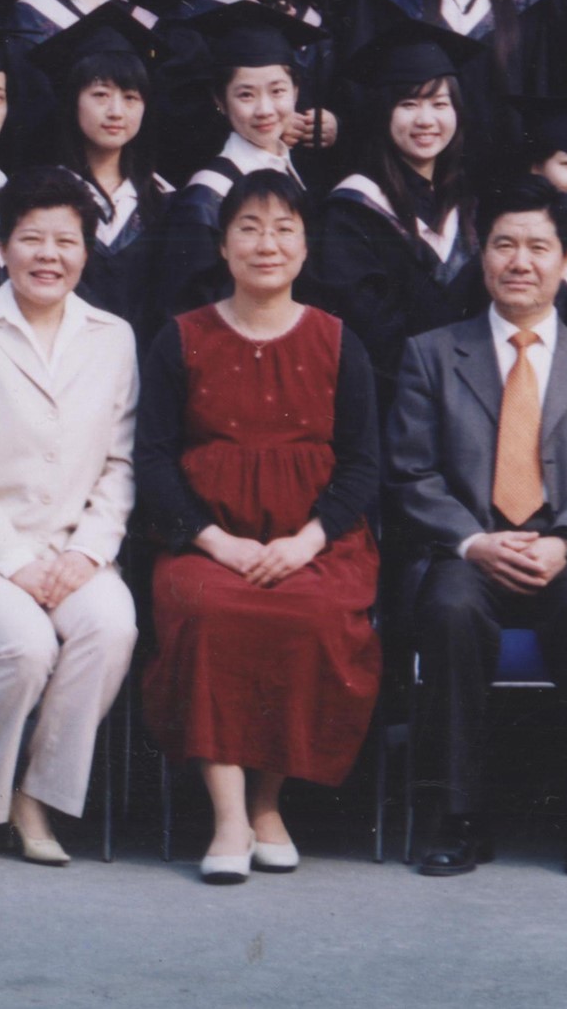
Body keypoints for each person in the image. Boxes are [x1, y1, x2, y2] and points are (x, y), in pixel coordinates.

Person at [388, 188, 567, 876]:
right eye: (504, 245)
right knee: (448, 609)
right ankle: (456, 817)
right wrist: (473, 542)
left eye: (538, 247)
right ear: (482, 256)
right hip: (468, 546)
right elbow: (412, 473)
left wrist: (563, 539)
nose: (520, 262)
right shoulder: (432, 355)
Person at [139, 177, 389, 883]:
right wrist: (215, 540)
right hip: (207, 544)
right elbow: (153, 459)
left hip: (313, 544)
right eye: (248, 228)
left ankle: (268, 803)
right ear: (223, 246)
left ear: (306, 247)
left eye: (284, 229)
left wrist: (306, 541)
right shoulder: (180, 338)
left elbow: (363, 464)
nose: (266, 244)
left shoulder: (338, 342)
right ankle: (227, 815)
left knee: (310, 616)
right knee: (210, 613)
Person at [0, 190, 143, 863]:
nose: (49, 256)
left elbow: (122, 462)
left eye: (66, 241)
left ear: (86, 251)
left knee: (112, 628)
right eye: (32, 238)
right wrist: (14, 562)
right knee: (26, 644)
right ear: (3, 245)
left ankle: (35, 797)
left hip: (73, 552)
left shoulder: (113, 336)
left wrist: (89, 552)